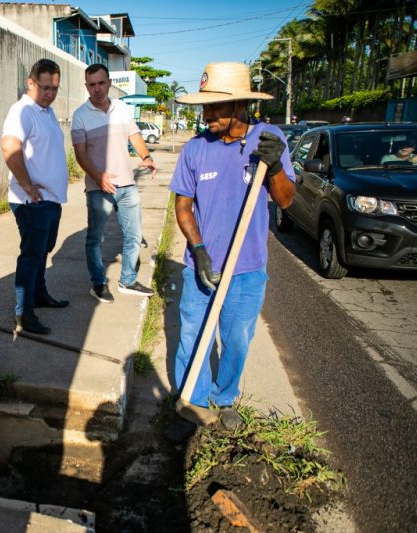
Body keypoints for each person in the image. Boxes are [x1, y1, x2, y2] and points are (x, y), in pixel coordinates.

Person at [168, 62, 296, 429]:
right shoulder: (196, 149)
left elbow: (286, 201)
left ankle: (224, 399)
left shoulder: (268, 140)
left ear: (239, 105)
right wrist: (199, 249)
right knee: (192, 336)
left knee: (236, 338)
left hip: (247, 266)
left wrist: (273, 168)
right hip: (201, 267)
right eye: (203, 107)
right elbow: (182, 204)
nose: (205, 114)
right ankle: (192, 400)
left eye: (214, 107)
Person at [71, 63, 156, 303]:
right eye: (92, 84)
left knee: (134, 235)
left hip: (127, 185)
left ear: (109, 83)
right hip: (99, 188)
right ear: (86, 86)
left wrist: (146, 157)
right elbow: (80, 154)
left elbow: (134, 136)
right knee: (95, 238)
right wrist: (99, 177)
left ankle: (128, 280)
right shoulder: (80, 115)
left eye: (101, 83)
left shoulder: (121, 108)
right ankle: (98, 284)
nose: (97, 89)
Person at [1, 59, 70, 335]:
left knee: (43, 251)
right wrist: (27, 186)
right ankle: (24, 313)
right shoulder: (22, 111)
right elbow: (9, 147)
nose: (50, 94)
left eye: (55, 88)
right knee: (31, 255)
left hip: (51, 200)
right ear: (31, 83)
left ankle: (39, 294)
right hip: (32, 203)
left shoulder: (47, 111)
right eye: (45, 88)